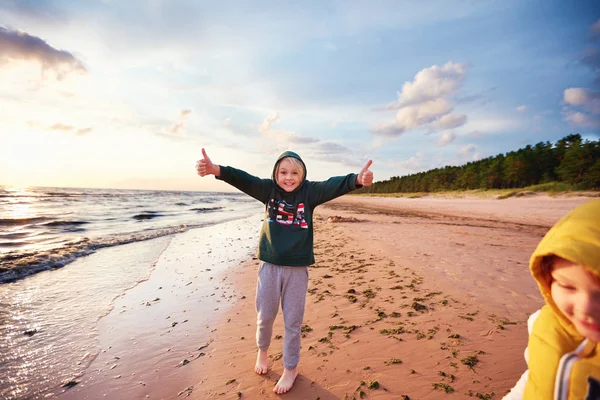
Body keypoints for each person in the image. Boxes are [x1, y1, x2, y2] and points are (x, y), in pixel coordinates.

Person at [196, 148, 373, 394]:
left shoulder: (309, 193)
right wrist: (217, 170)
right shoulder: (268, 191)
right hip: (269, 267)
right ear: (276, 173)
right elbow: (244, 179)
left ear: (302, 175)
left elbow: (333, 185)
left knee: (292, 322)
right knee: (265, 316)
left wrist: (356, 180)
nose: (288, 178)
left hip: (296, 271)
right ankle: (263, 352)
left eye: (294, 173)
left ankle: (291, 368)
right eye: (283, 172)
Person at [503, 200, 600, 400]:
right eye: (567, 286)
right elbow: (535, 377)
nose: (585, 308)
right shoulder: (541, 324)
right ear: (547, 280)